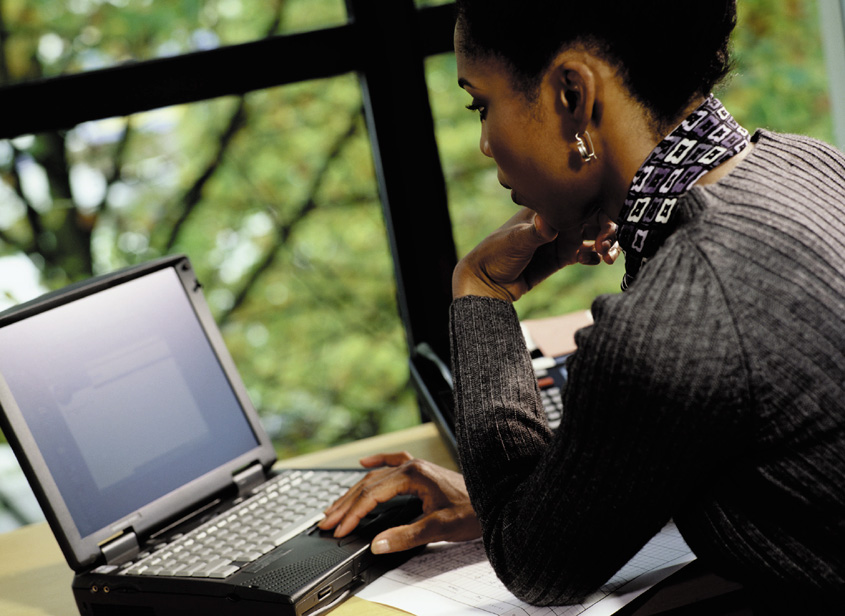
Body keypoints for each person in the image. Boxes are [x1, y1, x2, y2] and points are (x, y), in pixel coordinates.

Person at [320, 0, 845, 612]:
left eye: (481, 104)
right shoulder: (811, 163)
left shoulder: (685, 305)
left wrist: (481, 289)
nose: (486, 144)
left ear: (572, 94)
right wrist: (545, 495)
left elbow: (534, 566)